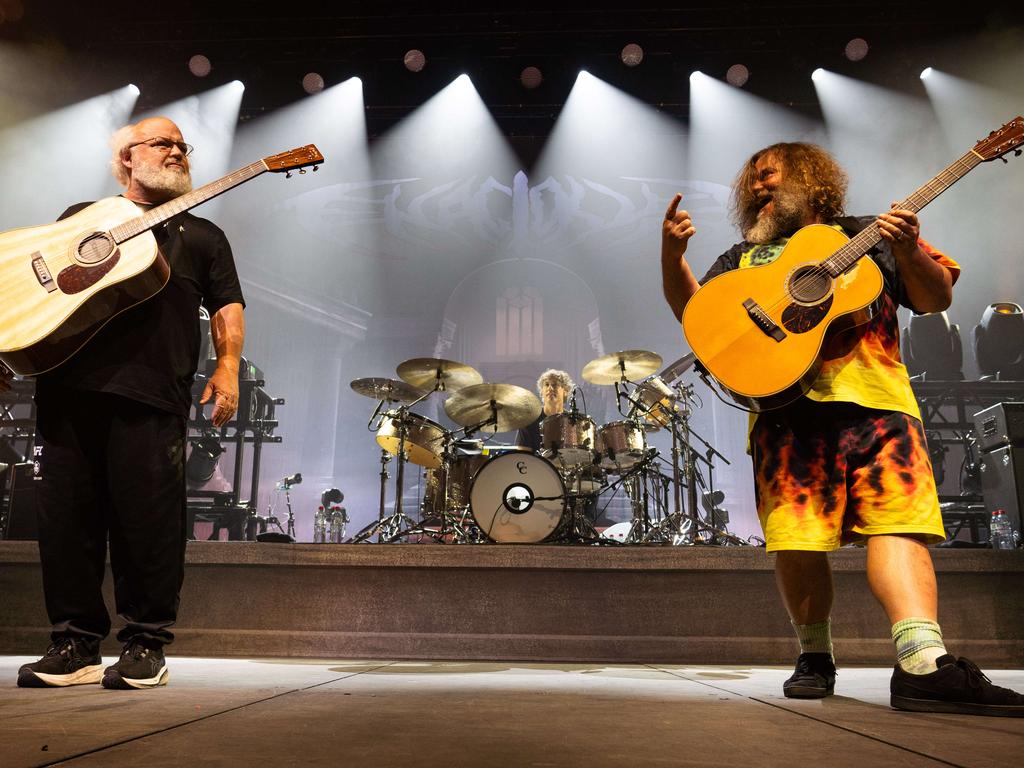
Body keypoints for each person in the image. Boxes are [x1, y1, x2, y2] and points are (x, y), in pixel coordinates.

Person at [660, 141, 1024, 716]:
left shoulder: (869, 233)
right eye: (752, 179)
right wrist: (671, 256)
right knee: (797, 539)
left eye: (770, 174)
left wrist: (906, 251)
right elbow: (700, 321)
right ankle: (814, 656)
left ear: (810, 179)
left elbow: (935, 297)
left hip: (878, 403)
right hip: (785, 414)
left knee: (899, 526)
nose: (758, 185)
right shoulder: (740, 258)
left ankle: (922, 664)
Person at [9, 117, 246, 690]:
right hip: (66, 389)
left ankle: (145, 643)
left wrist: (229, 365)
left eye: (182, 146)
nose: (177, 152)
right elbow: (32, 290)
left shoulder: (204, 235)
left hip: (150, 393)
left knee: (148, 526)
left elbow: (227, 307)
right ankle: (74, 642)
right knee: (66, 523)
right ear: (125, 160)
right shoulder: (83, 218)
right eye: (162, 143)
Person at [516, 369, 575, 452]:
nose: (550, 388)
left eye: (554, 385)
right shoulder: (529, 421)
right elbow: (523, 458)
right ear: (541, 392)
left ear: (565, 391)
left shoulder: (572, 421)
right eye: (547, 385)